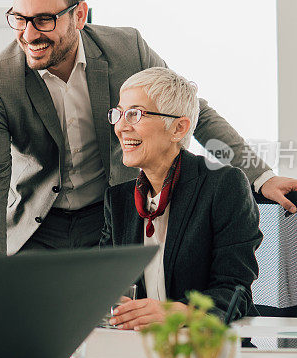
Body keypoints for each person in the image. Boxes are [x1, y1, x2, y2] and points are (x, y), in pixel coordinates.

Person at [0, 0, 297, 256]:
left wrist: (261, 176)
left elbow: (191, 111)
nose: (28, 34)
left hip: (111, 212)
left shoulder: (126, 49)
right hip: (37, 226)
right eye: (19, 18)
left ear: (79, 14)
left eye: (44, 20)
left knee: (121, 320)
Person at [101, 67, 260, 330]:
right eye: (118, 113)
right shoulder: (118, 200)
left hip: (203, 348)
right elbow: (108, 286)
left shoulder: (223, 185)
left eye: (134, 114)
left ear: (178, 128)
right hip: (136, 345)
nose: (121, 126)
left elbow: (235, 289)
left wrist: (181, 312)